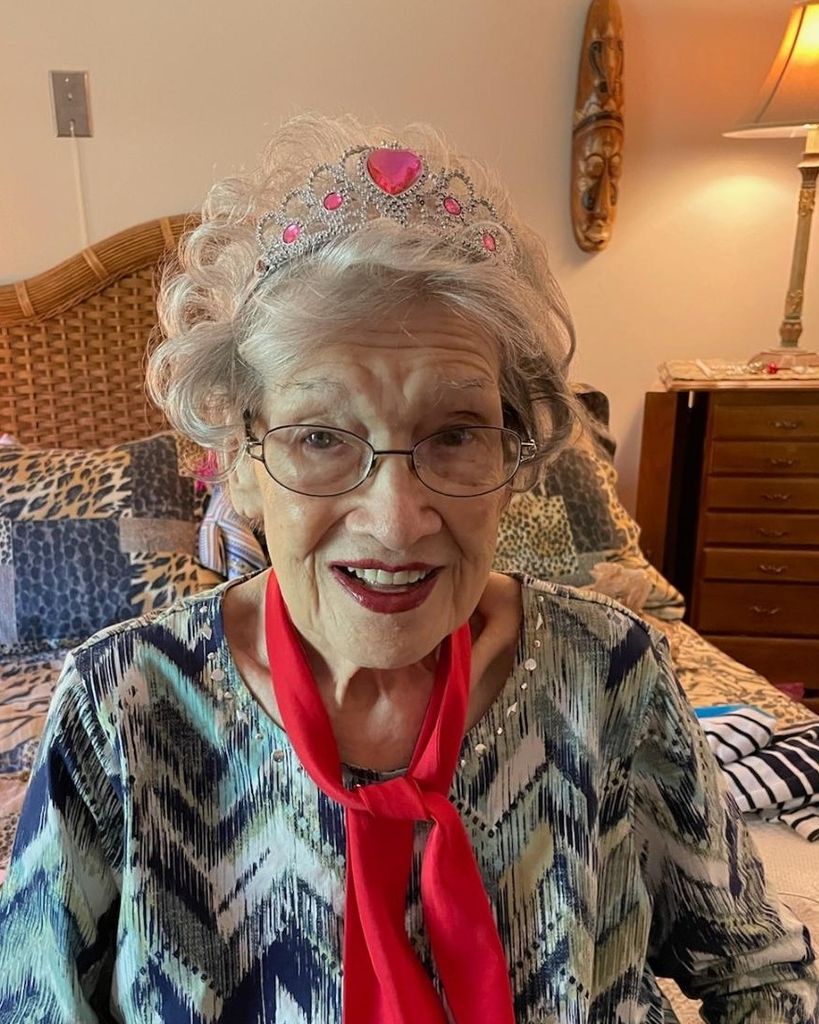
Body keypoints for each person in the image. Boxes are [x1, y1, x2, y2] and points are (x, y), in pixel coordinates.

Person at [0, 114, 816, 1024]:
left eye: (455, 434)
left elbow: (763, 975)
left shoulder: (610, 670)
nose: (395, 521)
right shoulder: (123, 701)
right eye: (320, 437)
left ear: (516, 453)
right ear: (238, 463)